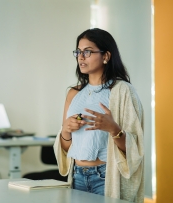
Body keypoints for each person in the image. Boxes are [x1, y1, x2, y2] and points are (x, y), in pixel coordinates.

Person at [53, 28, 144, 203]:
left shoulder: (122, 91)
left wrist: (114, 129)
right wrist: (65, 131)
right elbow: (65, 147)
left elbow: (136, 148)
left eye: (87, 51)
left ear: (106, 56)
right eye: (78, 52)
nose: (81, 57)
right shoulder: (73, 94)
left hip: (105, 177)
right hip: (77, 176)